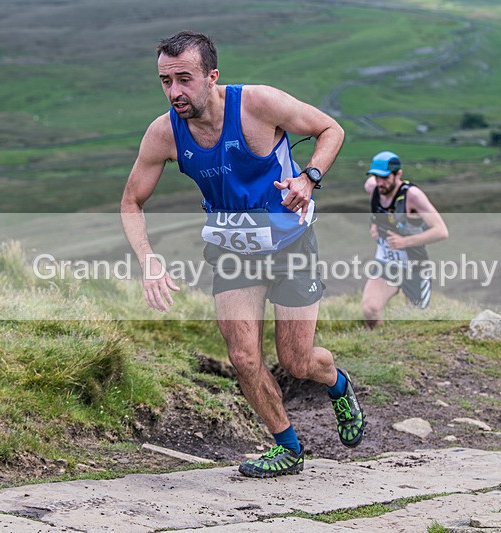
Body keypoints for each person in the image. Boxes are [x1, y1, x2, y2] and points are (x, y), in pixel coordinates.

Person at [120, 31, 365, 478]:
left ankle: (338, 383)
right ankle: (288, 448)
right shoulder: (164, 133)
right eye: (165, 81)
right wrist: (148, 259)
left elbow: (331, 129)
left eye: (184, 79)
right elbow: (131, 201)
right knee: (244, 357)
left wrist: (308, 178)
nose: (174, 92)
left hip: (291, 246)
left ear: (212, 76)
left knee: (297, 361)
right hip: (234, 253)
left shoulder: (258, 104)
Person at [361, 151, 449, 329]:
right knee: (370, 309)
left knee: (416, 322)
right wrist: (375, 223)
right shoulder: (373, 187)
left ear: (398, 174)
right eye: (376, 177)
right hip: (387, 262)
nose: (380, 182)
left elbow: (441, 231)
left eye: (385, 178)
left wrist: (404, 242)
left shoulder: (412, 196)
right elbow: (379, 210)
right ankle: (379, 341)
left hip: (414, 267)